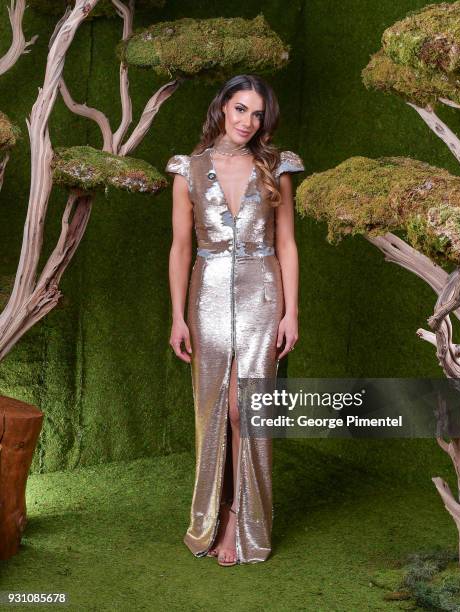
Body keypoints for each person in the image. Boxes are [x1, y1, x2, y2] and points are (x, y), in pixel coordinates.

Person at [165, 74, 304, 566]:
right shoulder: (188, 169)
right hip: (205, 299)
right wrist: (177, 317)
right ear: (223, 107)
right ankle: (218, 515)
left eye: (258, 113)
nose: (249, 121)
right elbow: (181, 247)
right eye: (241, 109)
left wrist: (292, 311)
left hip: (262, 295)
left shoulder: (277, 166)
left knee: (247, 409)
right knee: (214, 410)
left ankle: (244, 523)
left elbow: (286, 243)